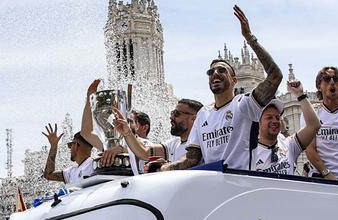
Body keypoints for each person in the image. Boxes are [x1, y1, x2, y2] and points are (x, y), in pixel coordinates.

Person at [161, 5, 283, 171]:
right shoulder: (203, 114)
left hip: (242, 184)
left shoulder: (245, 104)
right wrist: (166, 167)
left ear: (234, 80)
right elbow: (192, 159)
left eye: (221, 70)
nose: (215, 74)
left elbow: (275, 76)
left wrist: (250, 39)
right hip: (213, 187)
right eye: (211, 71)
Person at [245, 78, 320, 174]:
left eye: (277, 117)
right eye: (269, 117)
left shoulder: (289, 145)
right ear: (258, 122)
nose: (275, 121)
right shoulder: (249, 153)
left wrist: (300, 95)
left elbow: (314, 125)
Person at [113, 99, 203, 173]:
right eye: (172, 113)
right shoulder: (174, 144)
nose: (171, 117)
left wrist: (163, 167)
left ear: (194, 118)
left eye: (176, 114)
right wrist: (127, 133)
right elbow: (145, 152)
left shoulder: (203, 142)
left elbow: (189, 161)